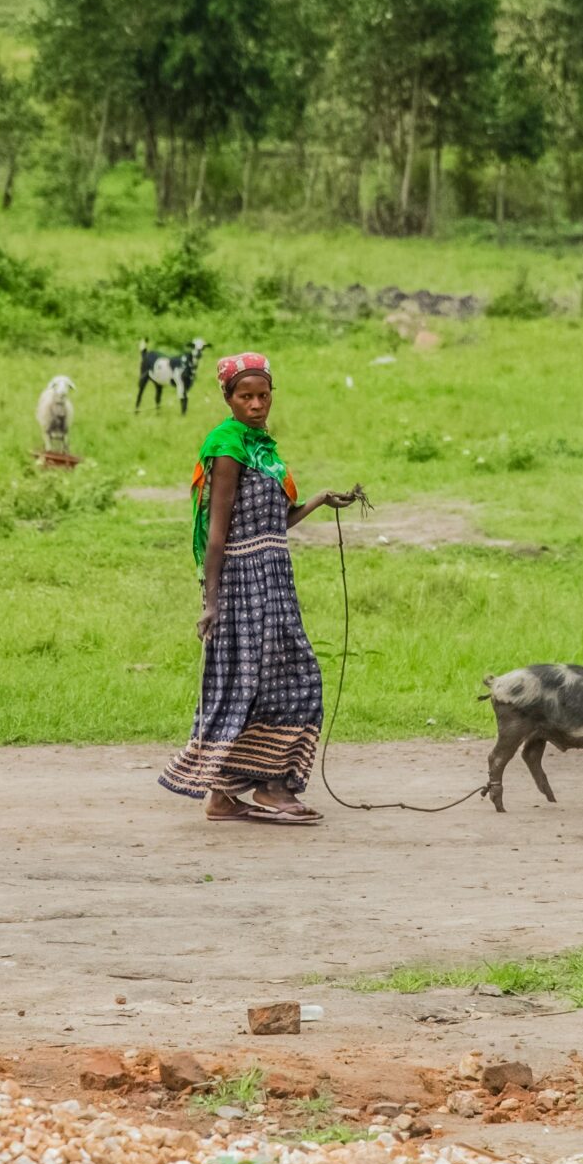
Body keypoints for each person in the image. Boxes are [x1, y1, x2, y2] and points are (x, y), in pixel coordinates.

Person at [157, 353, 361, 824]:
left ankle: (226, 796)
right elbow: (217, 531)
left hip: (275, 581)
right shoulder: (227, 448)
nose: (255, 404)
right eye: (245, 396)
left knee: (275, 680)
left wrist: (319, 500)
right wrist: (211, 602)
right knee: (269, 682)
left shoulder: (265, 452)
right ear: (227, 398)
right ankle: (270, 789)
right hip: (241, 585)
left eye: (262, 395)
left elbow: (277, 523)